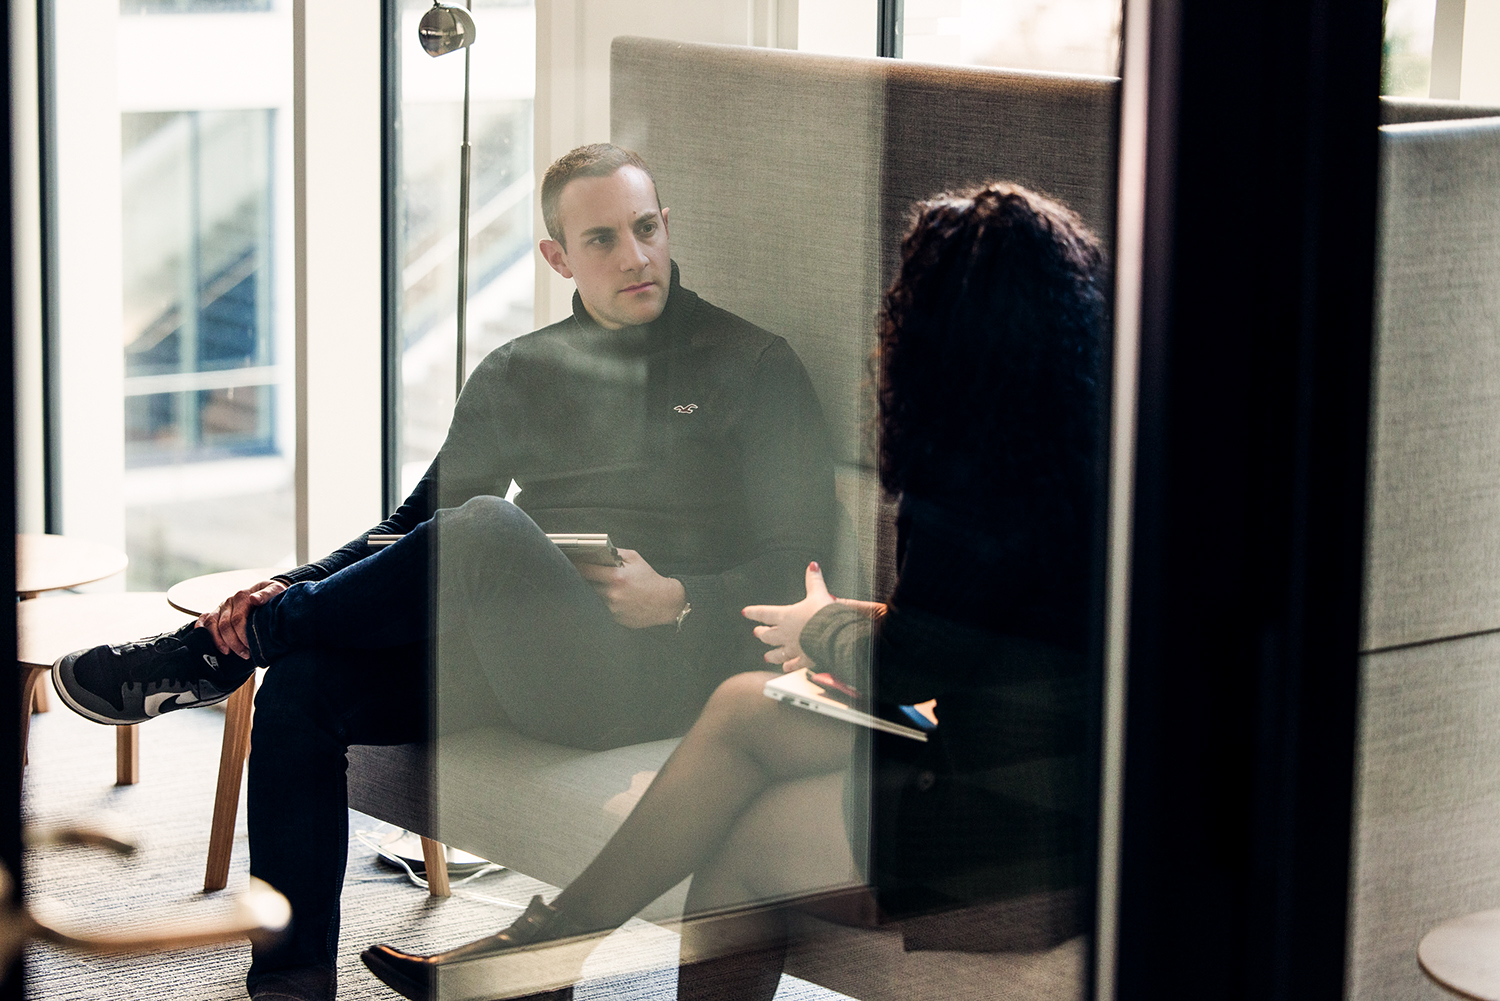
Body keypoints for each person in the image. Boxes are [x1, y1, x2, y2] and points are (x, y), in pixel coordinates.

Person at [49, 143, 837, 1001]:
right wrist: (279, 586)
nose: (636, 256)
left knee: (490, 527)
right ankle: (291, 979)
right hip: (524, 654)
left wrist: (682, 599)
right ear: (558, 258)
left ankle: (209, 655)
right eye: (603, 239)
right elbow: (412, 528)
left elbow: (799, 563)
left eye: (646, 229)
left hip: (654, 675)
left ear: (667, 224)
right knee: (305, 686)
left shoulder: (753, 363)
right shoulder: (519, 370)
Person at [360, 181, 1107, 1001]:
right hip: (1066, 777)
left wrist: (823, 631)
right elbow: (983, 631)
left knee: (741, 848)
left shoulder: (974, 477)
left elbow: (913, 673)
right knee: (748, 703)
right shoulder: (1083, 442)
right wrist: (860, 618)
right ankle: (544, 959)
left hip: (1007, 828)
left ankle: (541, 959)